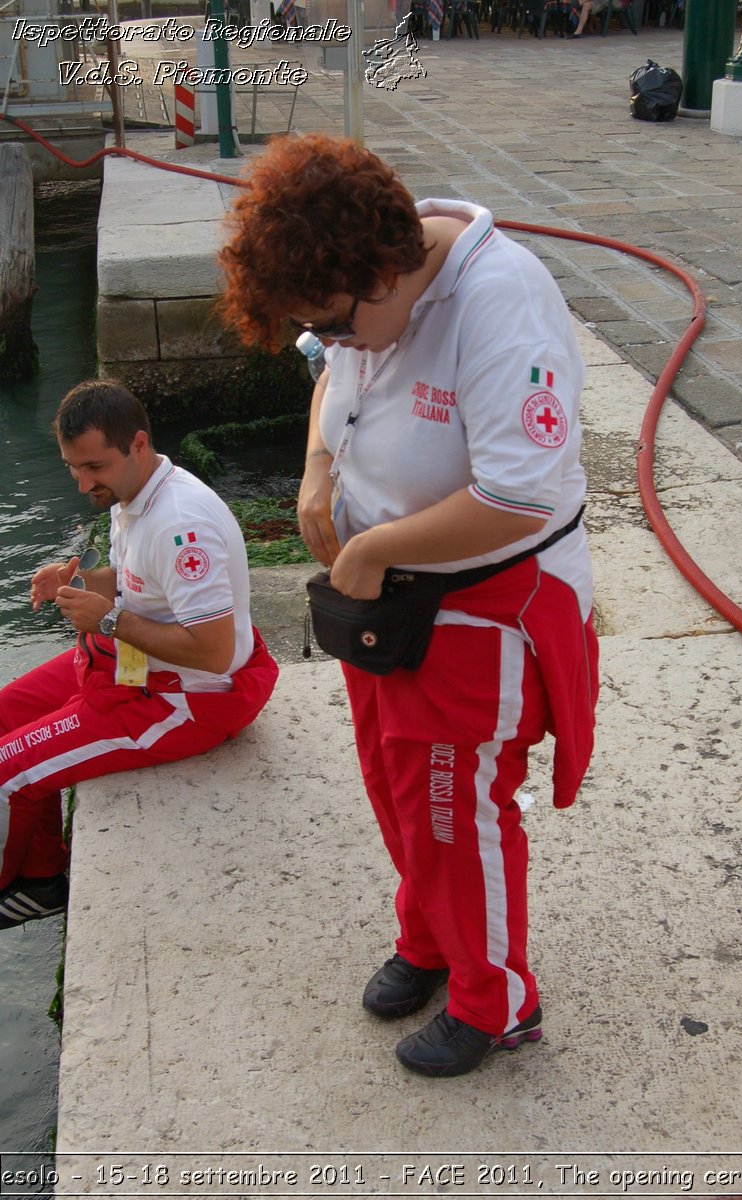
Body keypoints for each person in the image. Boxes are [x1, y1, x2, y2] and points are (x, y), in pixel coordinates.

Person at [220, 134, 599, 1078]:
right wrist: (317, 470)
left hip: (485, 600)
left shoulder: (499, 303)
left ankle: (495, 999)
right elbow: (329, 378)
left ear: (386, 272)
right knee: (395, 783)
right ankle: (432, 937)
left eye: (338, 322)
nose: (334, 341)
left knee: (453, 803)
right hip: (385, 599)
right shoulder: (367, 301)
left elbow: (519, 494)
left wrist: (379, 545)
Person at [0, 380, 279, 930]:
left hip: (185, 699)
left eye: (94, 467)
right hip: (133, 666)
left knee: (5, 773)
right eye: (73, 467)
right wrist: (79, 577)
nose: (83, 483)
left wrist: (104, 617)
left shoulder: (181, 525)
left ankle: (21, 883)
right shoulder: (137, 493)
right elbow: (137, 582)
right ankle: (42, 876)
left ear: (138, 444)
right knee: (6, 714)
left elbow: (217, 653)